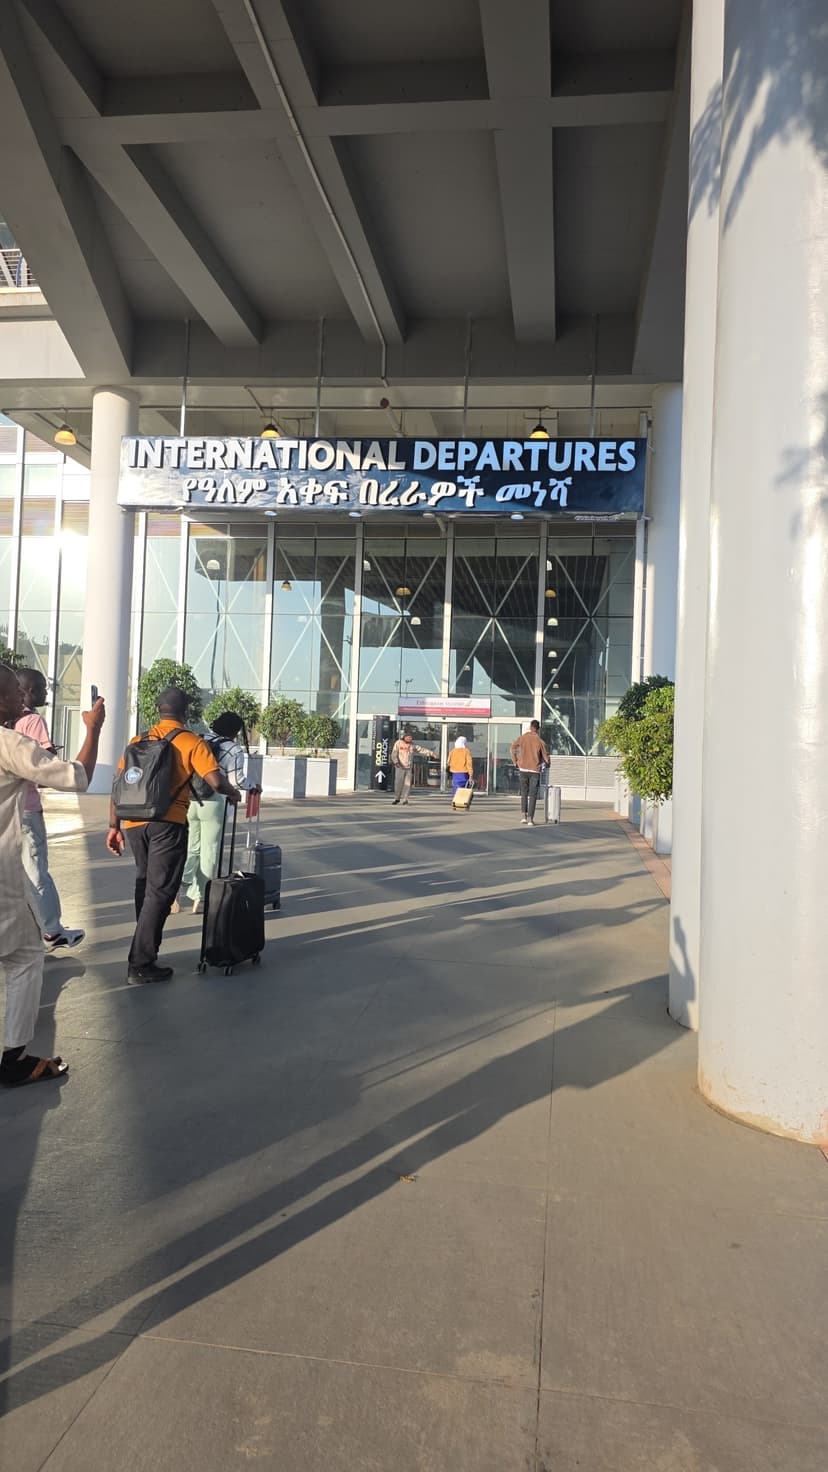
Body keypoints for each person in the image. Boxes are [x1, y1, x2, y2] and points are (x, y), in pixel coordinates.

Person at [0, 664, 104, 1086]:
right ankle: (15, 1059)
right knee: (25, 958)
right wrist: (93, 729)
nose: (21, 700)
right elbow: (76, 777)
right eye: (11, 693)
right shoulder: (10, 744)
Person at [106, 687, 241, 985]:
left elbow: (119, 785)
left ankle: (144, 948)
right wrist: (234, 792)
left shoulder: (138, 740)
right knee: (161, 891)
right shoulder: (192, 742)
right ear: (185, 712)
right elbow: (215, 781)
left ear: (158, 709)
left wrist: (113, 826)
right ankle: (141, 962)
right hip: (167, 822)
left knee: (145, 883)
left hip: (132, 822)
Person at [14, 668, 84, 953]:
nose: (46, 692)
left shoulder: (6, 722)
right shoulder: (32, 721)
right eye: (41, 687)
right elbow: (45, 767)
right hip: (27, 809)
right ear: (26, 690)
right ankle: (52, 931)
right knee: (36, 870)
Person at [177, 711, 254, 914]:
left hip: (189, 799)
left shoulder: (199, 739)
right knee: (209, 850)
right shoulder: (233, 749)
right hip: (213, 801)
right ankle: (200, 898)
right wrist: (253, 786)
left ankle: (174, 888)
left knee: (191, 847)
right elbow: (237, 781)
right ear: (235, 731)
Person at [510, 720, 550, 826]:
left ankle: (523, 816)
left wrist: (515, 761)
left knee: (524, 792)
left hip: (523, 768)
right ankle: (530, 819)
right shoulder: (540, 741)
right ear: (538, 728)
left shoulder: (522, 738)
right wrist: (547, 763)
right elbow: (546, 756)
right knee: (533, 795)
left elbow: (513, 747)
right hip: (534, 770)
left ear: (530, 727)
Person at [390, 730, 432, 805]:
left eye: (411, 738)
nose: (410, 739)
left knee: (407, 784)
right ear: (405, 737)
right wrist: (396, 762)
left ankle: (405, 799)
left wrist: (431, 753)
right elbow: (394, 753)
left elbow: (421, 750)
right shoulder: (398, 743)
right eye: (408, 737)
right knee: (398, 783)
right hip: (400, 766)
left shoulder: (412, 745)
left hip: (408, 767)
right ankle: (397, 798)